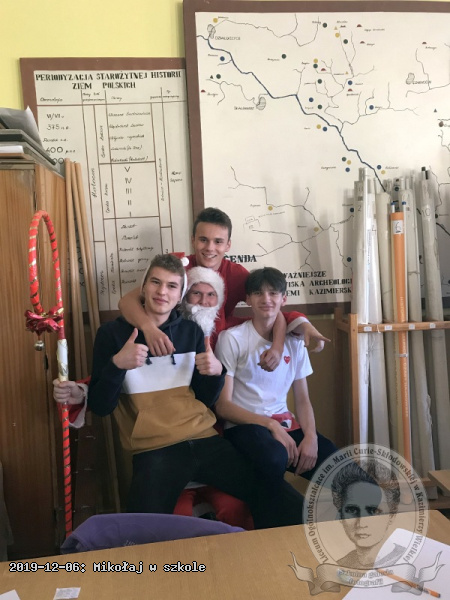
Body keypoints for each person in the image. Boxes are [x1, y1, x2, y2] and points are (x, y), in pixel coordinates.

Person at [57, 253, 304, 529]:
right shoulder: (111, 335)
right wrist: (118, 365)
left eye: (172, 286)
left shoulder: (191, 332)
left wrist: (216, 373)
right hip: (155, 447)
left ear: (179, 296)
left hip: (204, 439)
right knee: (140, 527)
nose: (162, 292)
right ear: (143, 287)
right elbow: (101, 406)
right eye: (156, 282)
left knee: (277, 495)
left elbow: (204, 398)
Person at [119, 207, 330, 367]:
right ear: (193, 240)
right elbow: (127, 301)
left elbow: (270, 308)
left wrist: (283, 341)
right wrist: (150, 329)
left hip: (217, 354)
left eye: (218, 241)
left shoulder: (237, 275)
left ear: (228, 245)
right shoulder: (178, 266)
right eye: (203, 240)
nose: (210, 248)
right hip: (171, 350)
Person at [214, 267, 337, 486]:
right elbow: (223, 407)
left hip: (285, 423)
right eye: (258, 293)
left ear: (284, 299)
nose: (266, 299)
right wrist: (270, 425)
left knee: (348, 474)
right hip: (245, 427)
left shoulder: (295, 342)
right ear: (248, 299)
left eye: (273, 293)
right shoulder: (232, 338)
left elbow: (303, 399)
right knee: (274, 457)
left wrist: (311, 437)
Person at [331, 460, 404, 569]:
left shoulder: (410, 562)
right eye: (352, 510)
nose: (361, 523)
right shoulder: (339, 566)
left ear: (392, 515)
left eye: (373, 511)